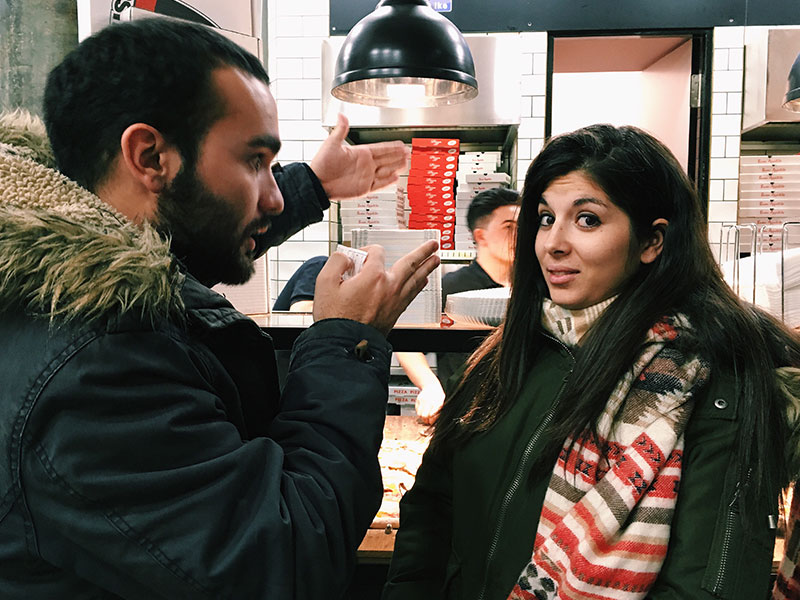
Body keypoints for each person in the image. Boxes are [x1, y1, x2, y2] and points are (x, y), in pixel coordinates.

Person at [0, 17, 440, 600]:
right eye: (255, 161)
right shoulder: (96, 364)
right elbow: (283, 563)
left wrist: (314, 183)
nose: (274, 194)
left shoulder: (54, 274)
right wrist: (343, 340)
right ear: (151, 156)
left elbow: (177, 238)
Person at [384, 124, 800, 600]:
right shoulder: (511, 352)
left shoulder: (710, 380)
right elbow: (432, 505)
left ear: (652, 242)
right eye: (544, 219)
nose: (553, 244)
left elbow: (705, 587)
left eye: (587, 220)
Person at [396, 187, 520, 423]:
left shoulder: (535, 288)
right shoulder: (451, 288)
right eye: (509, 228)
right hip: (462, 417)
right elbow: (407, 344)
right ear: (481, 236)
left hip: (519, 417)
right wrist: (430, 386)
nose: (519, 236)